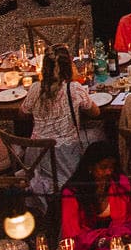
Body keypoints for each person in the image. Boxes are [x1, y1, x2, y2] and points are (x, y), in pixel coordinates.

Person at [24, 48, 97, 201]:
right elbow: (95, 113)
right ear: (69, 67)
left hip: (37, 156)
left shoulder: (35, 88)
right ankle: (97, 183)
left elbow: (22, 114)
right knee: (99, 134)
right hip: (65, 157)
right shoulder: (74, 88)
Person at [60, 142, 131, 249]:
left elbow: (127, 221)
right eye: (103, 167)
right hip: (85, 248)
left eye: (112, 167)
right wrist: (102, 241)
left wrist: (118, 238)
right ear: (90, 167)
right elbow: (72, 235)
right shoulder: (72, 192)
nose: (109, 172)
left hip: (118, 244)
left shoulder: (120, 183)